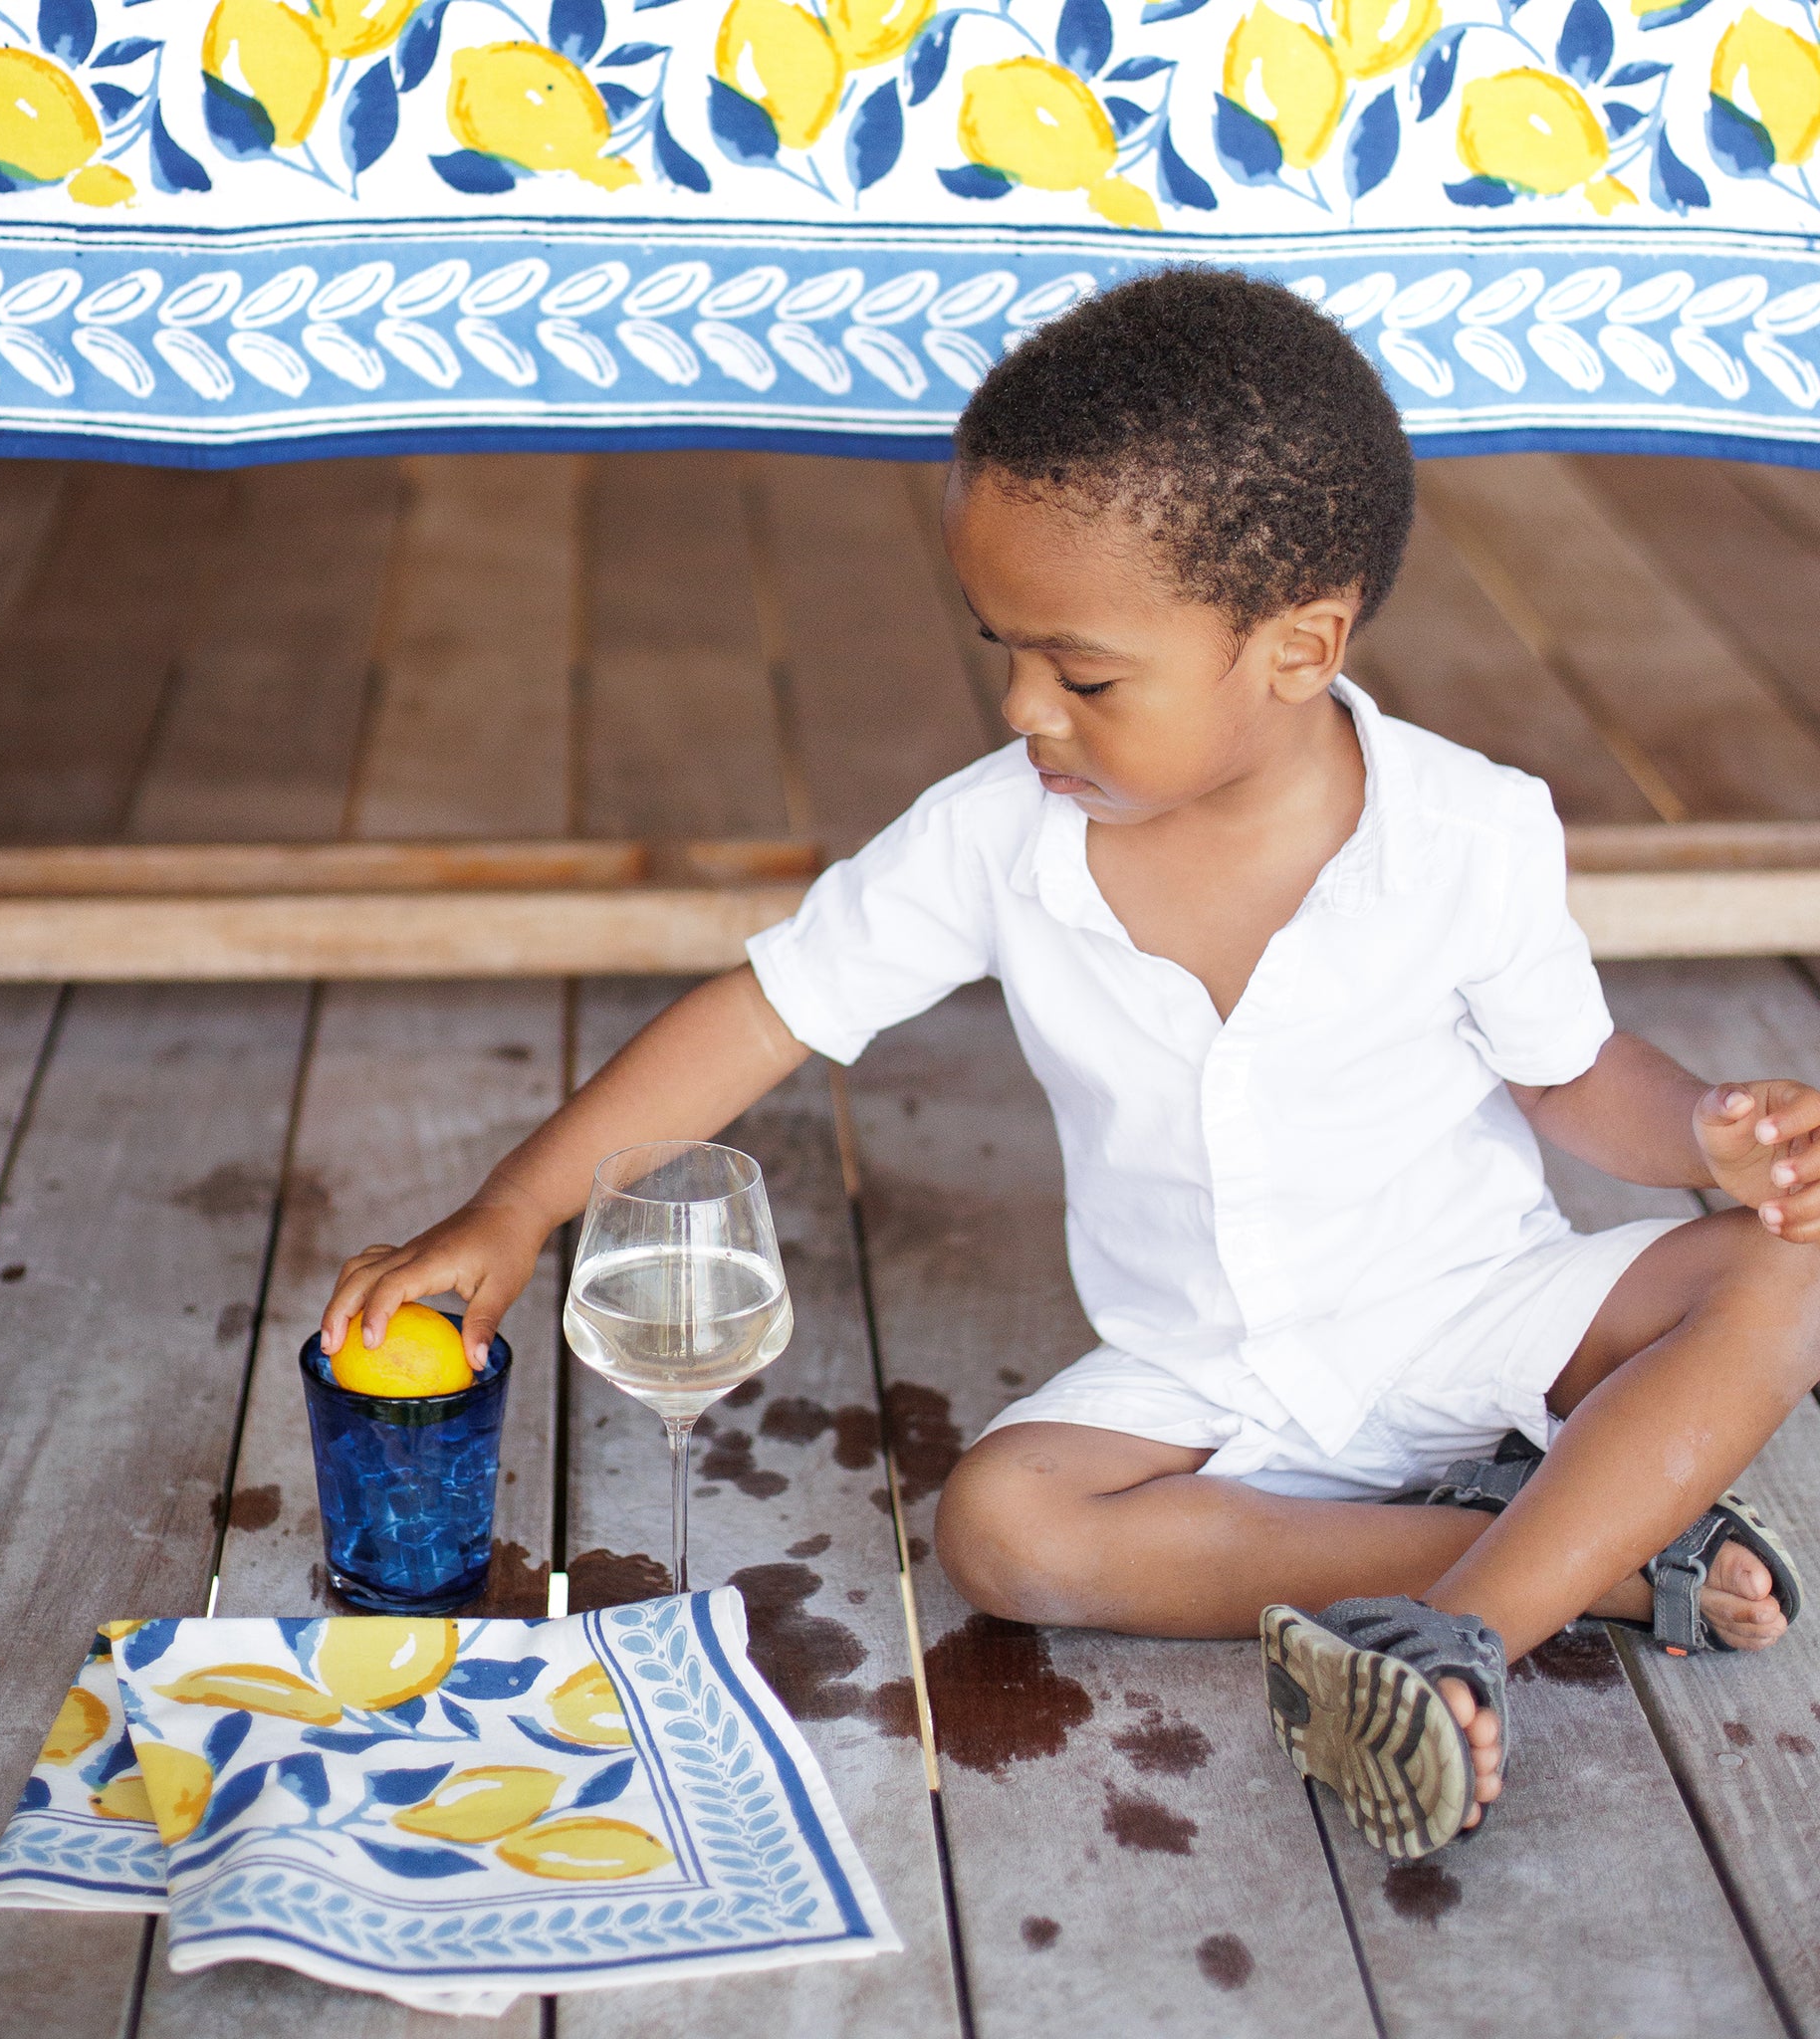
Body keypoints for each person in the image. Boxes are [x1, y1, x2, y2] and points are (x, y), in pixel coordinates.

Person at [323, 267, 1820, 1861]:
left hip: (1469, 1306)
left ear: (1299, 648)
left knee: (1782, 1272)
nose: (1026, 707)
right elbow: (766, 1010)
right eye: (1005, 651)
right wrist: (515, 1211)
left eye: (1084, 674)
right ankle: (1595, 1550)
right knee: (1004, 1530)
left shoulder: (1468, 829)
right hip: (1205, 1376)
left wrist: (1706, 1142)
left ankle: (1462, 1633)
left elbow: (1571, 1076)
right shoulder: (995, 836)